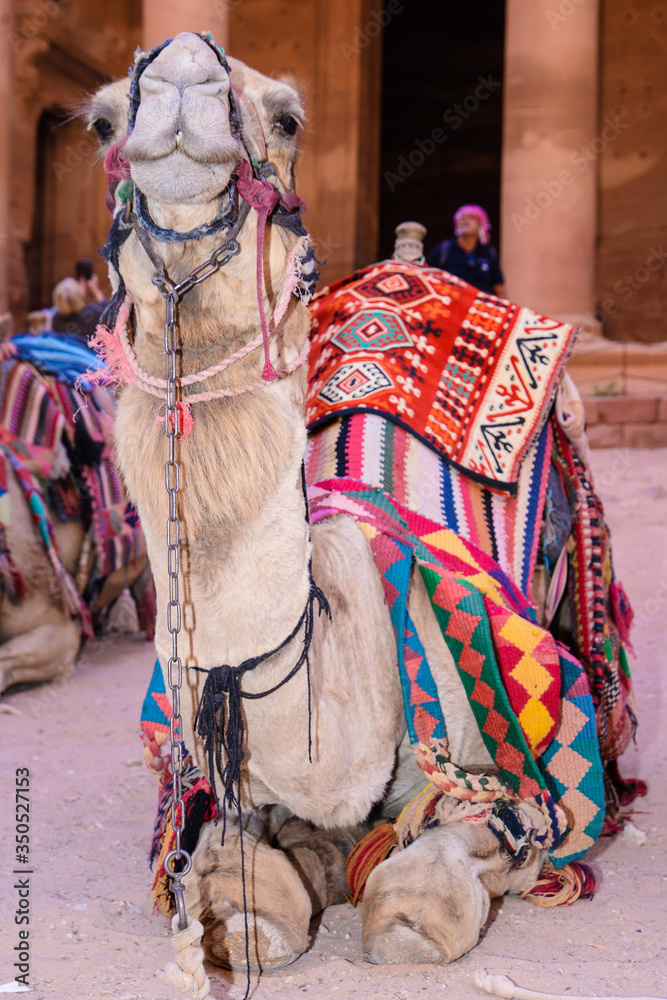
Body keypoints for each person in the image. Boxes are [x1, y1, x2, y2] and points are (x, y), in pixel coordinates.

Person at [427, 204, 505, 296]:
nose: (466, 220)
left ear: (481, 224)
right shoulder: (443, 250)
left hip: (479, 307)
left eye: (472, 217)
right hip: (449, 305)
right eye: (462, 218)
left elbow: (498, 288)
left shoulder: (489, 253)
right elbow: (428, 279)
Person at [50, 277, 105, 343]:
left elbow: (68, 305)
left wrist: (79, 295)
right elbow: (107, 308)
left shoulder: (56, 320)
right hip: (90, 352)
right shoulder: (92, 313)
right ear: (79, 295)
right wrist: (95, 289)